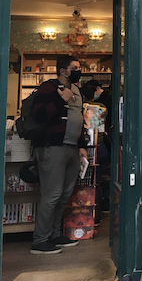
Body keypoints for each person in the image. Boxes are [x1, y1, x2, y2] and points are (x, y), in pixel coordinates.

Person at [30, 55, 88, 255]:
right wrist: (59, 99)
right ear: (63, 71)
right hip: (52, 147)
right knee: (52, 194)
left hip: (72, 148)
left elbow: (78, 118)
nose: (78, 71)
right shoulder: (49, 88)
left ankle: (55, 235)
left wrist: (81, 145)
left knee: (64, 194)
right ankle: (40, 240)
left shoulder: (77, 91)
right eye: (75, 68)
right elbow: (39, 114)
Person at [81, 80, 112, 216]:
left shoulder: (82, 108)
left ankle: (87, 213)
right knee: (97, 181)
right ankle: (97, 214)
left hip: (88, 146)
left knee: (85, 181)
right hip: (102, 145)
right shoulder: (102, 107)